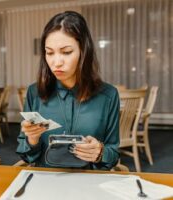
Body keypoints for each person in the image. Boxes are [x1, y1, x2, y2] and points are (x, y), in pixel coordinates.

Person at [16, 11, 120, 170]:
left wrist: (100, 152)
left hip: (90, 182)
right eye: (49, 53)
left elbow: (113, 154)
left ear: (84, 51)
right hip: (47, 180)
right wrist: (32, 140)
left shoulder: (108, 95)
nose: (56, 62)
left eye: (66, 52)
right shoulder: (34, 93)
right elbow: (27, 155)